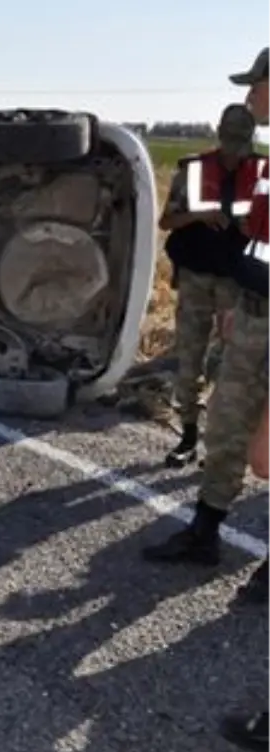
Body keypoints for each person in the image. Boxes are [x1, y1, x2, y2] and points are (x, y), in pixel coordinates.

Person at [142, 52, 270, 600]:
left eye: (255, 87)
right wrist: (240, 298)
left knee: (267, 448)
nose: (249, 98)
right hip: (251, 310)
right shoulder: (248, 168)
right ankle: (205, 531)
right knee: (227, 425)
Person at [159, 104, 259, 467]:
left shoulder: (263, 172)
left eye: (241, 143)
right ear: (219, 134)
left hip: (239, 280)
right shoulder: (194, 170)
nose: (234, 152)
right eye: (230, 141)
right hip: (197, 276)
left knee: (234, 364)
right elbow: (166, 220)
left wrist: (252, 227)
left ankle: (223, 444)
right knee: (190, 356)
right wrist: (199, 215)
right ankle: (187, 435)